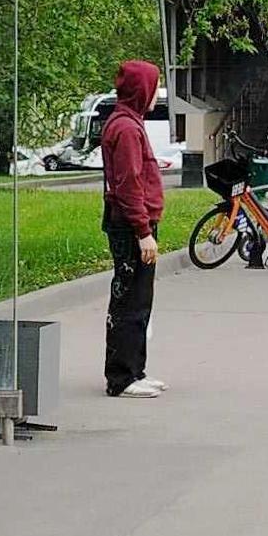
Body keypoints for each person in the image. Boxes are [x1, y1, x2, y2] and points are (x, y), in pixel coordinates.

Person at [97, 59, 167, 398]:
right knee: (130, 302)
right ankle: (122, 377)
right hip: (130, 226)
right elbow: (128, 184)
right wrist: (143, 232)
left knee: (140, 300)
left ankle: (134, 370)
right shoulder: (126, 128)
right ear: (141, 89)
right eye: (153, 86)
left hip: (133, 223)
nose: (156, 93)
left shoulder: (129, 123)